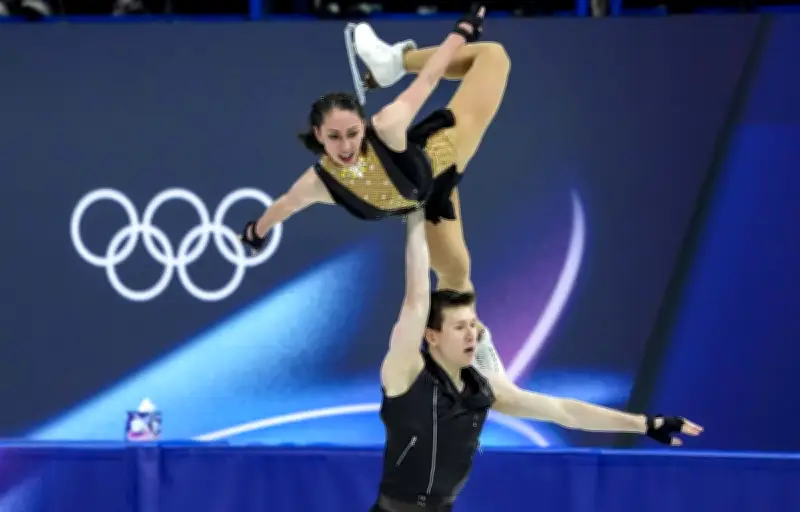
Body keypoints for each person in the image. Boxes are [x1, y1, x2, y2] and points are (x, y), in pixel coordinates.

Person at [371, 208, 703, 512]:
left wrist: (645, 424)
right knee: (456, 274)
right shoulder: (407, 374)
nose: (471, 334)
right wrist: (414, 216)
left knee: (460, 275)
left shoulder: (485, 391)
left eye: (474, 325)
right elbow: (415, 303)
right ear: (431, 336)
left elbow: (565, 412)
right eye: (460, 327)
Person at [240, 6, 509, 332]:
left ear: (363, 126)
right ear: (319, 137)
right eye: (334, 137)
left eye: (353, 133)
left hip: (443, 153)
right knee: (456, 273)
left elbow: (431, 77)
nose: (346, 146)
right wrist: (256, 232)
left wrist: (463, 30)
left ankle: (396, 61)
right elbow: (284, 206)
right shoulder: (319, 182)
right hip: (426, 206)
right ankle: (461, 360)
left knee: (492, 57)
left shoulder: (387, 124)